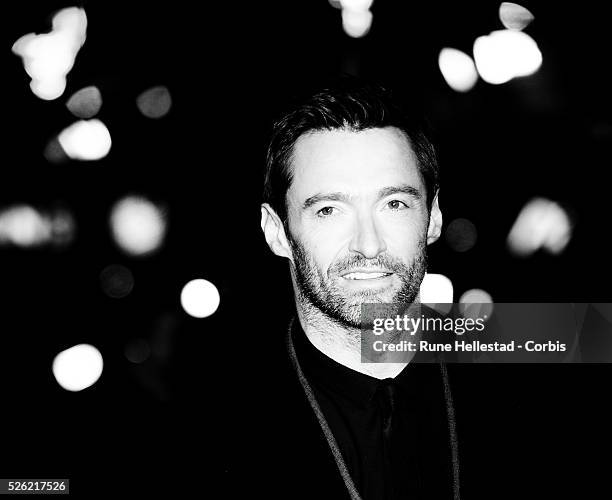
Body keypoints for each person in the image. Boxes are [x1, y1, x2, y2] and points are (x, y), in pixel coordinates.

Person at [256, 76, 458, 500]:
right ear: (277, 232)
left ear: (434, 217)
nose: (368, 244)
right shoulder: (203, 422)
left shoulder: (534, 364)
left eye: (394, 204)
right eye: (329, 209)